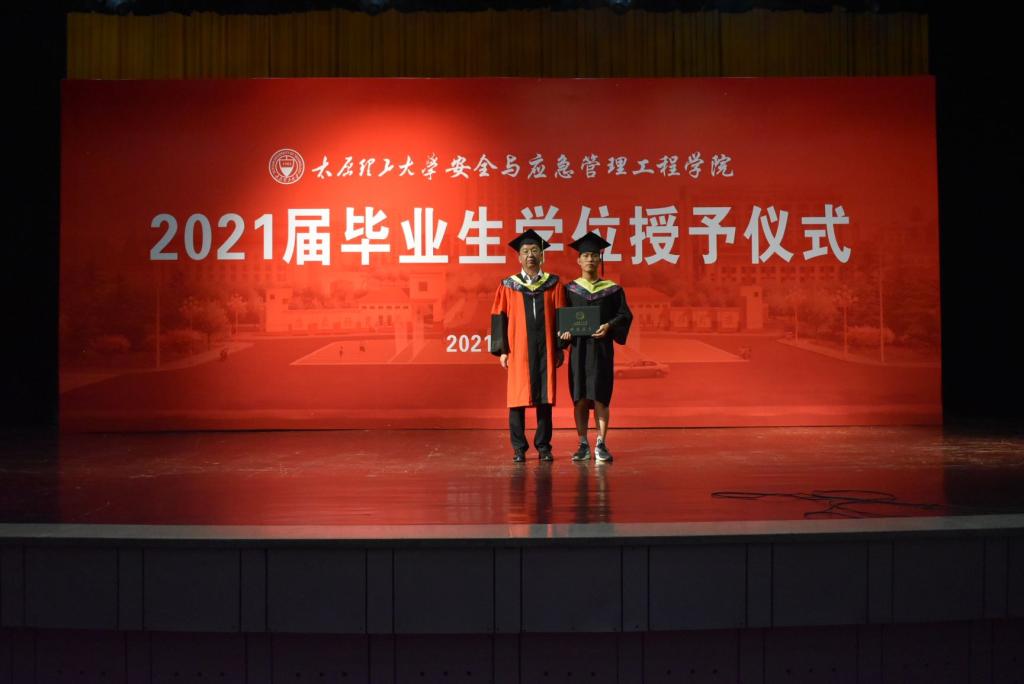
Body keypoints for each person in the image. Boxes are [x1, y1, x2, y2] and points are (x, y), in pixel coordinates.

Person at [490, 229, 566, 462]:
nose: (530, 255)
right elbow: (499, 316)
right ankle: (519, 448)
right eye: (525, 251)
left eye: (535, 250)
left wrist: (560, 347)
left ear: (542, 255)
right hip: (519, 349)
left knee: (545, 399)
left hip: (546, 349)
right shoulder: (508, 285)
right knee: (516, 398)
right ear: (519, 257)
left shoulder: (553, 284)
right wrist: (502, 350)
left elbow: (561, 316)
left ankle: (543, 447)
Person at [559, 232, 633, 463]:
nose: (590, 259)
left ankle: (601, 443)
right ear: (579, 260)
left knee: (601, 396)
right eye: (586, 256)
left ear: (600, 260)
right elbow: (560, 319)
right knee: (580, 397)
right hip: (579, 350)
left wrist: (609, 326)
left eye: (594, 255)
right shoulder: (569, 290)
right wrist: (564, 334)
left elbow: (624, 315)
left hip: (601, 350)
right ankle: (583, 443)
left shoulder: (613, 290)